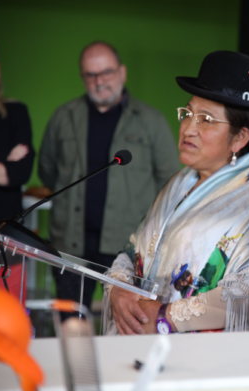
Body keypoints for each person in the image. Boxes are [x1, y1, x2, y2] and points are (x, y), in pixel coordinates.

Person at [102, 51, 249, 335]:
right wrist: (119, 291)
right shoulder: (179, 183)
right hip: (145, 344)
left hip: (205, 360)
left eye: (206, 119)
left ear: (240, 137)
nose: (188, 129)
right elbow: (132, 252)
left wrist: (165, 317)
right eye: (187, 113)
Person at [38, 41, 180, 313]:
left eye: (107, 72)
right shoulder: (63, 117)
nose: (99, 81)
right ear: (83, 77)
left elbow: (169, 181)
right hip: (70, 242)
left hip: (125, 248)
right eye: (91, 75)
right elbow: (48, 170)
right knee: (71, 319)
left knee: (124, 321)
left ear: (122, 73)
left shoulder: (150, 121)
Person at [0, 43, 35, 223]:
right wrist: (4, 161)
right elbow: (7, 172)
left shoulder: (16, 112)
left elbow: (20, 171)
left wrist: (9, 168)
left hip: (5, 227)